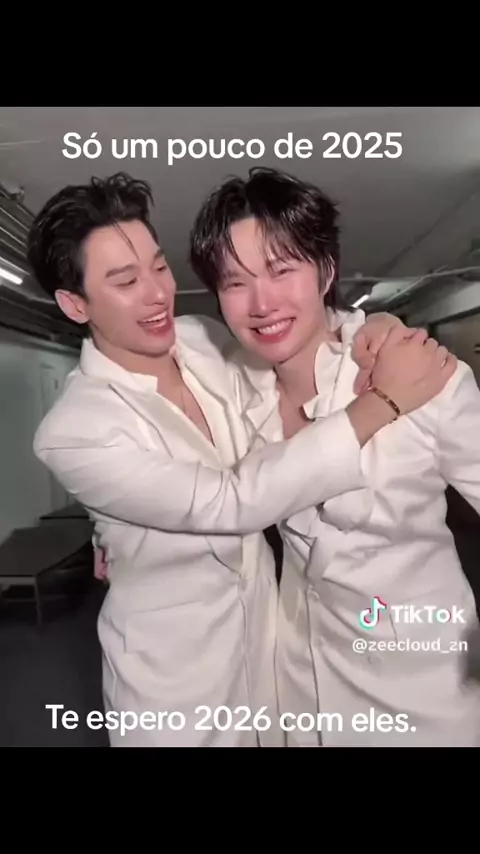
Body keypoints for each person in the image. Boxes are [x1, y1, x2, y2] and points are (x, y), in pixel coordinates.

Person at [28, 172, 455, 748]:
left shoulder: (203, 339)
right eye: (126, 281)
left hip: (272, 657)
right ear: (75, 303)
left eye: (159, 267)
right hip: (174, 683)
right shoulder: (73, 431)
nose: (157, 294)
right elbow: (229, 502)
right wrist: (383, 403)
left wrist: (379, 328)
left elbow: (303, 333)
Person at [189, 166, 480, 747]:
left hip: (423, 684)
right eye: (235, 283)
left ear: (325, 269)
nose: (262, 303)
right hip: (303, 680)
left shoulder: (419, 374)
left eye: (281, 270)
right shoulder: (233, 390)